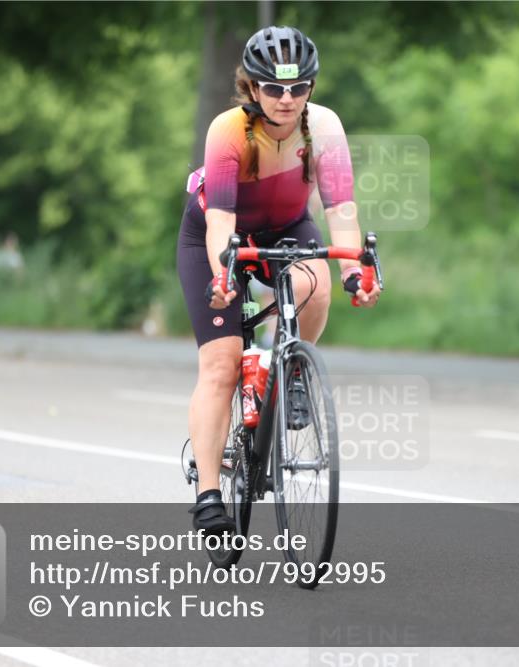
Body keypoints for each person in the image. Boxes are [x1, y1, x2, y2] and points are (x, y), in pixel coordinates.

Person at [177, 26, 381, 534]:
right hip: (218, 232)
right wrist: (225, 276)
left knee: (318, 283)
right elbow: (221, 219)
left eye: (299, 87)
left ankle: (290, 368)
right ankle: (207, 494)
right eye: (273, 88)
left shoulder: (325, 127)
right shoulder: (228, 131)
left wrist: (356, 270)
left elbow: (341, 207)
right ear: (252, 88)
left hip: (288, 226)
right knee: (221, 364)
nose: (287, 100)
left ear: (311, 87)